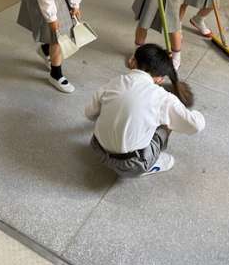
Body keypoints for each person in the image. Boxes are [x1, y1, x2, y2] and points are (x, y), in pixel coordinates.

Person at [85, 44, 205, 177]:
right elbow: (195, 126)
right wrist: (196, 114)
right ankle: (150, 164)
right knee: (166, 123)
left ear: (133, 61)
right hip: (130, 165)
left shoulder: (114, 82)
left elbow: (90, 113)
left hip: (97, 149)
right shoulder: (163, 98)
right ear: (160, 79)